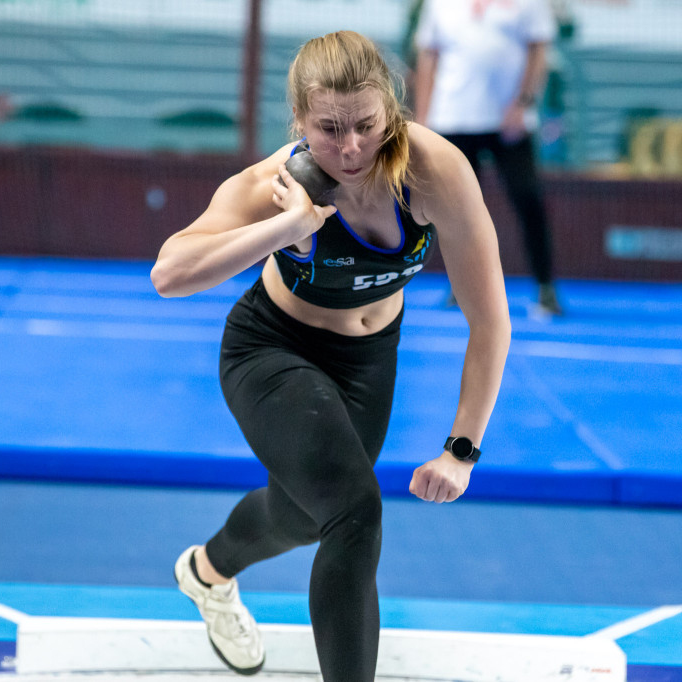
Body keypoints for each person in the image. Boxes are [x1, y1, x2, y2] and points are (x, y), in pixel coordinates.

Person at [150, 31, 511, 681]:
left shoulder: (436, 172)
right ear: (298, 122)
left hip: (369, 360)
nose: (349, 148)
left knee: (304, 517)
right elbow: (170, 274)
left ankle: (207, 572)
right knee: (354, 510)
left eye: (367, 126)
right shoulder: (274, 185)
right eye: (328, 129)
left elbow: (489, 320)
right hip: (272, 349)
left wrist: (462, 449)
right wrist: (285, 229)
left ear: (393, 112)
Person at [413, 0, 564, 316]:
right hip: (453, 119)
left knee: (527, 199)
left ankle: (545, 288)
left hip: (508, 121)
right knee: (458, 209)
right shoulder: (439, 4)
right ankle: (461, 286)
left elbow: (539, 51)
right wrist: (422, 120)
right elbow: (429, 55)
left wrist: (523, 103)